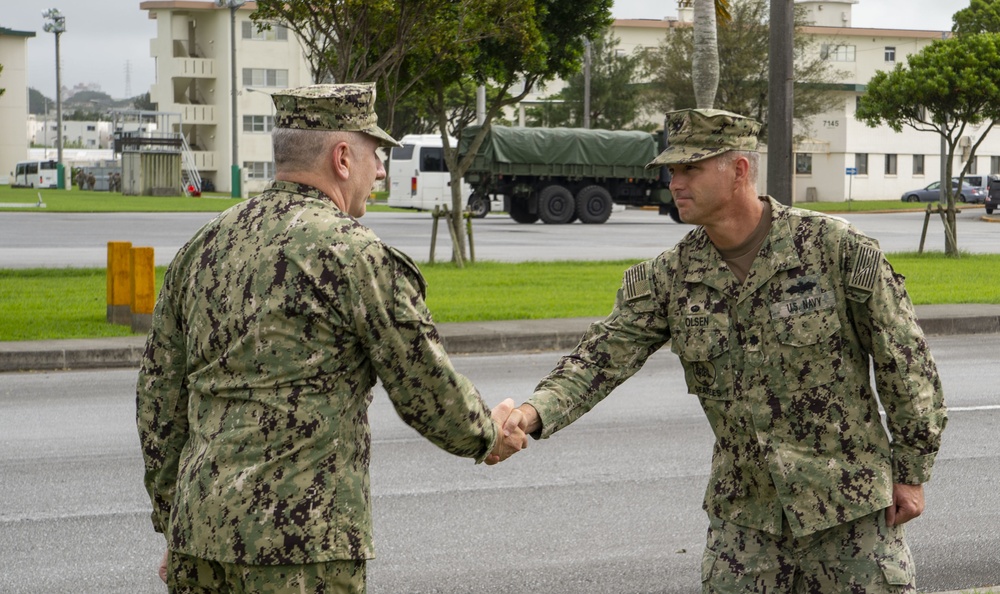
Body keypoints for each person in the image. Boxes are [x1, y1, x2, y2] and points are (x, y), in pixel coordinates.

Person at [512, 108, 947, 592]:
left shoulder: (833, 249)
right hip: (746, 523)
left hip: (851, 513)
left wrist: (911, 473)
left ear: (739, 170)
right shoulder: (670, 277)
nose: (675, 182)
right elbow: (599, 358)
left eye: (690, 168)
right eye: (673, 170)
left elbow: (907, 367)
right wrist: (529, 415)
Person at [136, 82, 527, 594]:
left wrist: (173, 520)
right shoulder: (355, 254)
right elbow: (424, 388)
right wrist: (488, 434)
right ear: (343, 157)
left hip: (199, 537)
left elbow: (158, 399)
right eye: (376, 154)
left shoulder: (203, 247)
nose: (382, 170)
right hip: (301, 547)